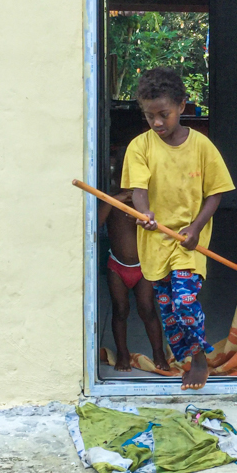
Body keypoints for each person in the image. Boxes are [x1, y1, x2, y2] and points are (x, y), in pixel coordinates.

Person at [122, 67, 235, 391]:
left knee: (184, 301)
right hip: (156, 240)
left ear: (182, 106)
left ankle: (199, 358)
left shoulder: (201, 146)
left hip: (188, 240)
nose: (157, 123)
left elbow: (216, 192)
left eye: (164, 114)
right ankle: (184, 358)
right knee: (169, 310)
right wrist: (144, 213)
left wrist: (196, 228)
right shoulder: (140, 147)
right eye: (149, 116)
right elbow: (139, 190)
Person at [98, 147, 168, 374]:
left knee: (147, 309)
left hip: (142, 266)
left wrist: (143, 214)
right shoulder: (110, 198)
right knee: (120, 310)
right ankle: (123, 354)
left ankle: (159, 354)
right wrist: (114, 200)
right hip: (117, 266)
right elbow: (97, 224)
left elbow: (160, 229)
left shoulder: (146, 202)